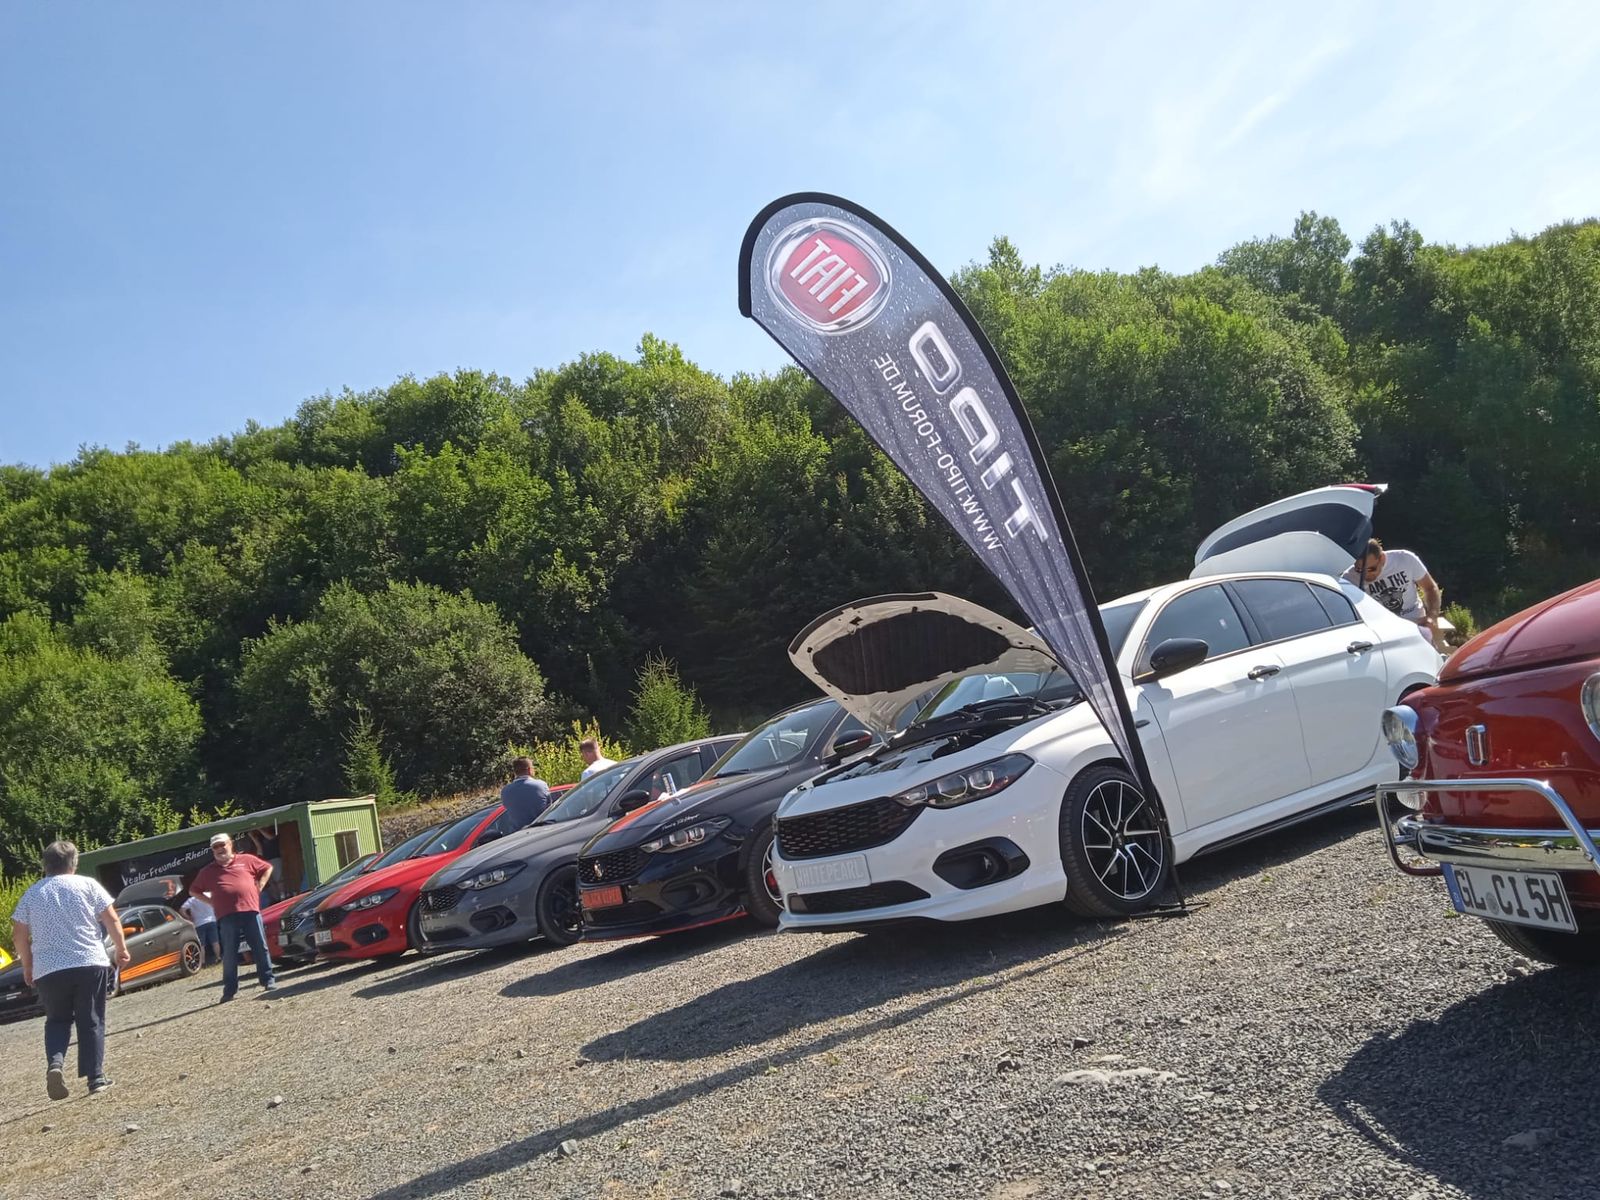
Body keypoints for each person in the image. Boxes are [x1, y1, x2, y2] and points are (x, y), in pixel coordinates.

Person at [10, 840, 131, 1099]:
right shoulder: (87, 885)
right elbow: (111, 918)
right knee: (91, 1019)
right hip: (88, 961)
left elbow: (18, 935)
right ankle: (95, 1078)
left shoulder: (32, 894)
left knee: (57, 1020)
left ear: (45, 865)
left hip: (49, 968)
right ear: (74, 863)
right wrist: (121, 948)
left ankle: (55, 1063)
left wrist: (28, 966)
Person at [186, 833, 276, 1001]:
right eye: (215, 847)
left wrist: (261, 884)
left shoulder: (247, 859)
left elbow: (267, 868)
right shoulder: (207, 871)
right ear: (212, 850)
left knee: (260, 946)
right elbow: (193, 891)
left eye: (222, 845)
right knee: (229, 953)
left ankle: (268, 980)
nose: (220, 849)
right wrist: (211, 902)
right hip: (226, 915)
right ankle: (229, 990)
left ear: (230, 844)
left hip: (250, 910)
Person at [1343, 537, 1443, 644]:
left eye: (1371, 569)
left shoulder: (1405, 559)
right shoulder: (1349, 579)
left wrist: (1432, 616)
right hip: (1382, 633)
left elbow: (1430, 588)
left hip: (1416, 625)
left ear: (1381, 558)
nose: (1366, 575)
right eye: (1359, 570)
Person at [499, 756, 552, 831]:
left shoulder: (505, 791)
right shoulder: (541, 785)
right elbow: (550, 808)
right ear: (529, 769)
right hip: (541, 829)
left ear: (515, 772)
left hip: (517, 833)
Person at [180, 884, 221, 967]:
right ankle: (218, 957)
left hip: (199, 923)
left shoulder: (191, 900)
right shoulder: (209, 895)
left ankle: (203, 962)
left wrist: (189, 918)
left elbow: (181, 910)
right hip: (212, 920)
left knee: (201, 944)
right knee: (215, 942)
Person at [247, 827, 285, 903]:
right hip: (265, 860)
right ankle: (276, 899)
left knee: (279, 879)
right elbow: (259, 847)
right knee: (270, 881)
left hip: (275, 858)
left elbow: (271, 838)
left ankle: (283, 896)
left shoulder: (273, 833)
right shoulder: (260, 837)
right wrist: (252, 836)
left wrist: (259, 829)